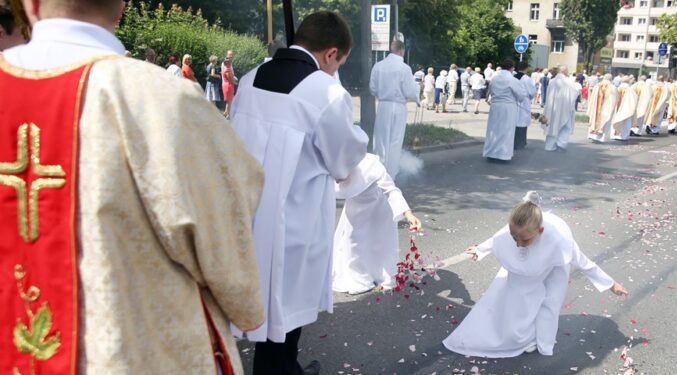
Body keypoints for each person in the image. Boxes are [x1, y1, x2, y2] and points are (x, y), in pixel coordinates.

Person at [0, 0, 266, 373]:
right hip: (134, 355)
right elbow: (223, 230)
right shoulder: (162, 100)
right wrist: (245, 302)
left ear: (30, 4)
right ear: (121, 7)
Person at [229, 11, 368, 375]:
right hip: (291, 218)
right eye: (339, 63)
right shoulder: (326, 92)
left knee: (260, 299)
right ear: (330, 54)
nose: (336, 70)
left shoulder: (251, 77)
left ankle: (283, 367)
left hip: (246, 211)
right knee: (284, 308)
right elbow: (343, 159)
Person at [443, 191, 628, 358]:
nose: (517, 243)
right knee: (518, 300)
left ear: (540, 231)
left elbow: (584, 262)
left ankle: (543, 343)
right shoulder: (516, 229)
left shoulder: (559, 240)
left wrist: (612, 284)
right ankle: (524, 337)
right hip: (525, 270)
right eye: (514, 237)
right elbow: (498, 238)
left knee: (550, 303)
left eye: (524, 239)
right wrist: (480, 249)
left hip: (554, 266)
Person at [332, 154, 422, 295]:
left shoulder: (372, 166)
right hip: (354, 211)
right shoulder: (335, 162)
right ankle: (359, 277)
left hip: (378, 209)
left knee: (377, 243)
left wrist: (408, 214)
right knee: (352, 242)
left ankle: (377, 273)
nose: (338, 180)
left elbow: (392, 191)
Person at [370, 39, 420, 179]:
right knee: (395, 141)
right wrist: (417, 97)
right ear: (402, 51)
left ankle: (378, 172)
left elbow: (372, 88)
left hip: (383, 105)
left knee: (380, 140)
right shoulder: (404, 68)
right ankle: (390, 174)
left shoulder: (378, 66)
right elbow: (409, 91)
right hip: (398, 106)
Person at [483, 59, 525, 162]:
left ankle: (491, 152)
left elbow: (491, 91)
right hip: (508, 107)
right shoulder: (512, 80)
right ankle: (502, 154)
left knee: (493, 129)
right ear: (512, 68)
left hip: (495, 106)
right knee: (506, 130)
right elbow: (521, 96)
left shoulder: (495, 79)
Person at [543, 66, 579, 152]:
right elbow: (574, 94)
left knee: (551, 125)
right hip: (564, 108)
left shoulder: (552, 81)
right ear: (565, 71)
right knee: (565, 126)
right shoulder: (568, 82)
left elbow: (547, 94)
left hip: (552, 108)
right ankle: (561, 144)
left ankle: (549, 146)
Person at [587, 73, 617, 143]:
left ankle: (593, 135)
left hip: (596, 108)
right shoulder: (612, 87)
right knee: (605, 120)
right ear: (611, 79)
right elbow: (613, 100)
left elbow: (592, 98)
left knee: (595, 118)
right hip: (605, 108)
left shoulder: (597, 86)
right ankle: (601, 138)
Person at [514, 61, 536, 150]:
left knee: (515, 121)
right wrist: (529, 98)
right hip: (524, 101)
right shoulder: (527, 79)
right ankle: (520, 143)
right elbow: (532, 92)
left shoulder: (513, 77)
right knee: (522, 121)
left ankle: (514, 141)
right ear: (526, 68)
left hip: (514, 101)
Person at [611, 76, 638, 141]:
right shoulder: (630, 89)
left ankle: (615, 135)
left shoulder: (617, 88)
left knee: (616, 119)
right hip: (626, 108)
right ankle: (623, 136)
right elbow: (634, 100)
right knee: (626, 122)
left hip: (617, 107)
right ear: (628, 81)